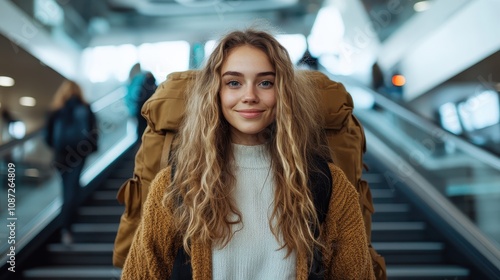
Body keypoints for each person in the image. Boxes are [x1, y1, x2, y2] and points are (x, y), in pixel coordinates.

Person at [122, 29, 375, 279]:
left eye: (266, 83)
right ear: (215, 93)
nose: (250, 96)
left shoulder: (327, 184)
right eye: (234, 83)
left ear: (284, 92)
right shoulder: (175, 185)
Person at [45, 80, 98, 245]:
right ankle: (68, 225)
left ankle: (66, 228)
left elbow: (48, 136)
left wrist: (56, 148)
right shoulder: (85, 107)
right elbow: (93, 131)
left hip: (61, 155)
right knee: (73, 186)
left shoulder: (56, 110)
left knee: (67, 187)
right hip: (78, 153)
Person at [125, 63, 157, 140]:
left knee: (141, 135)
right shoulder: (147, 82)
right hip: (146, 112)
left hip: (138, 111)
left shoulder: (134, 81)